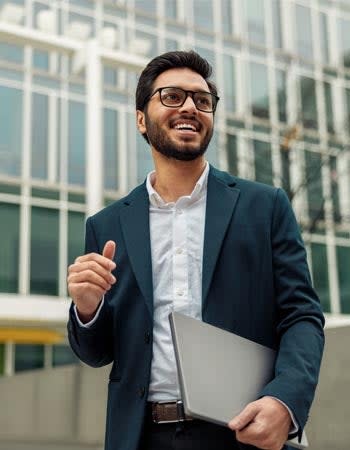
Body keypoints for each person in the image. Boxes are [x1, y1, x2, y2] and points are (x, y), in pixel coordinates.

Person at [67, 50, 324, 450]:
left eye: (202, 100)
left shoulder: (265, 206)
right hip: (140, 436)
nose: (190, 106)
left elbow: (302, 316)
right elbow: (97, 354)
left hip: (243, 432)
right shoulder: (107, 225)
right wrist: (87, 310)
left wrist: (284, 400)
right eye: (172, 96)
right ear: (141, 119)